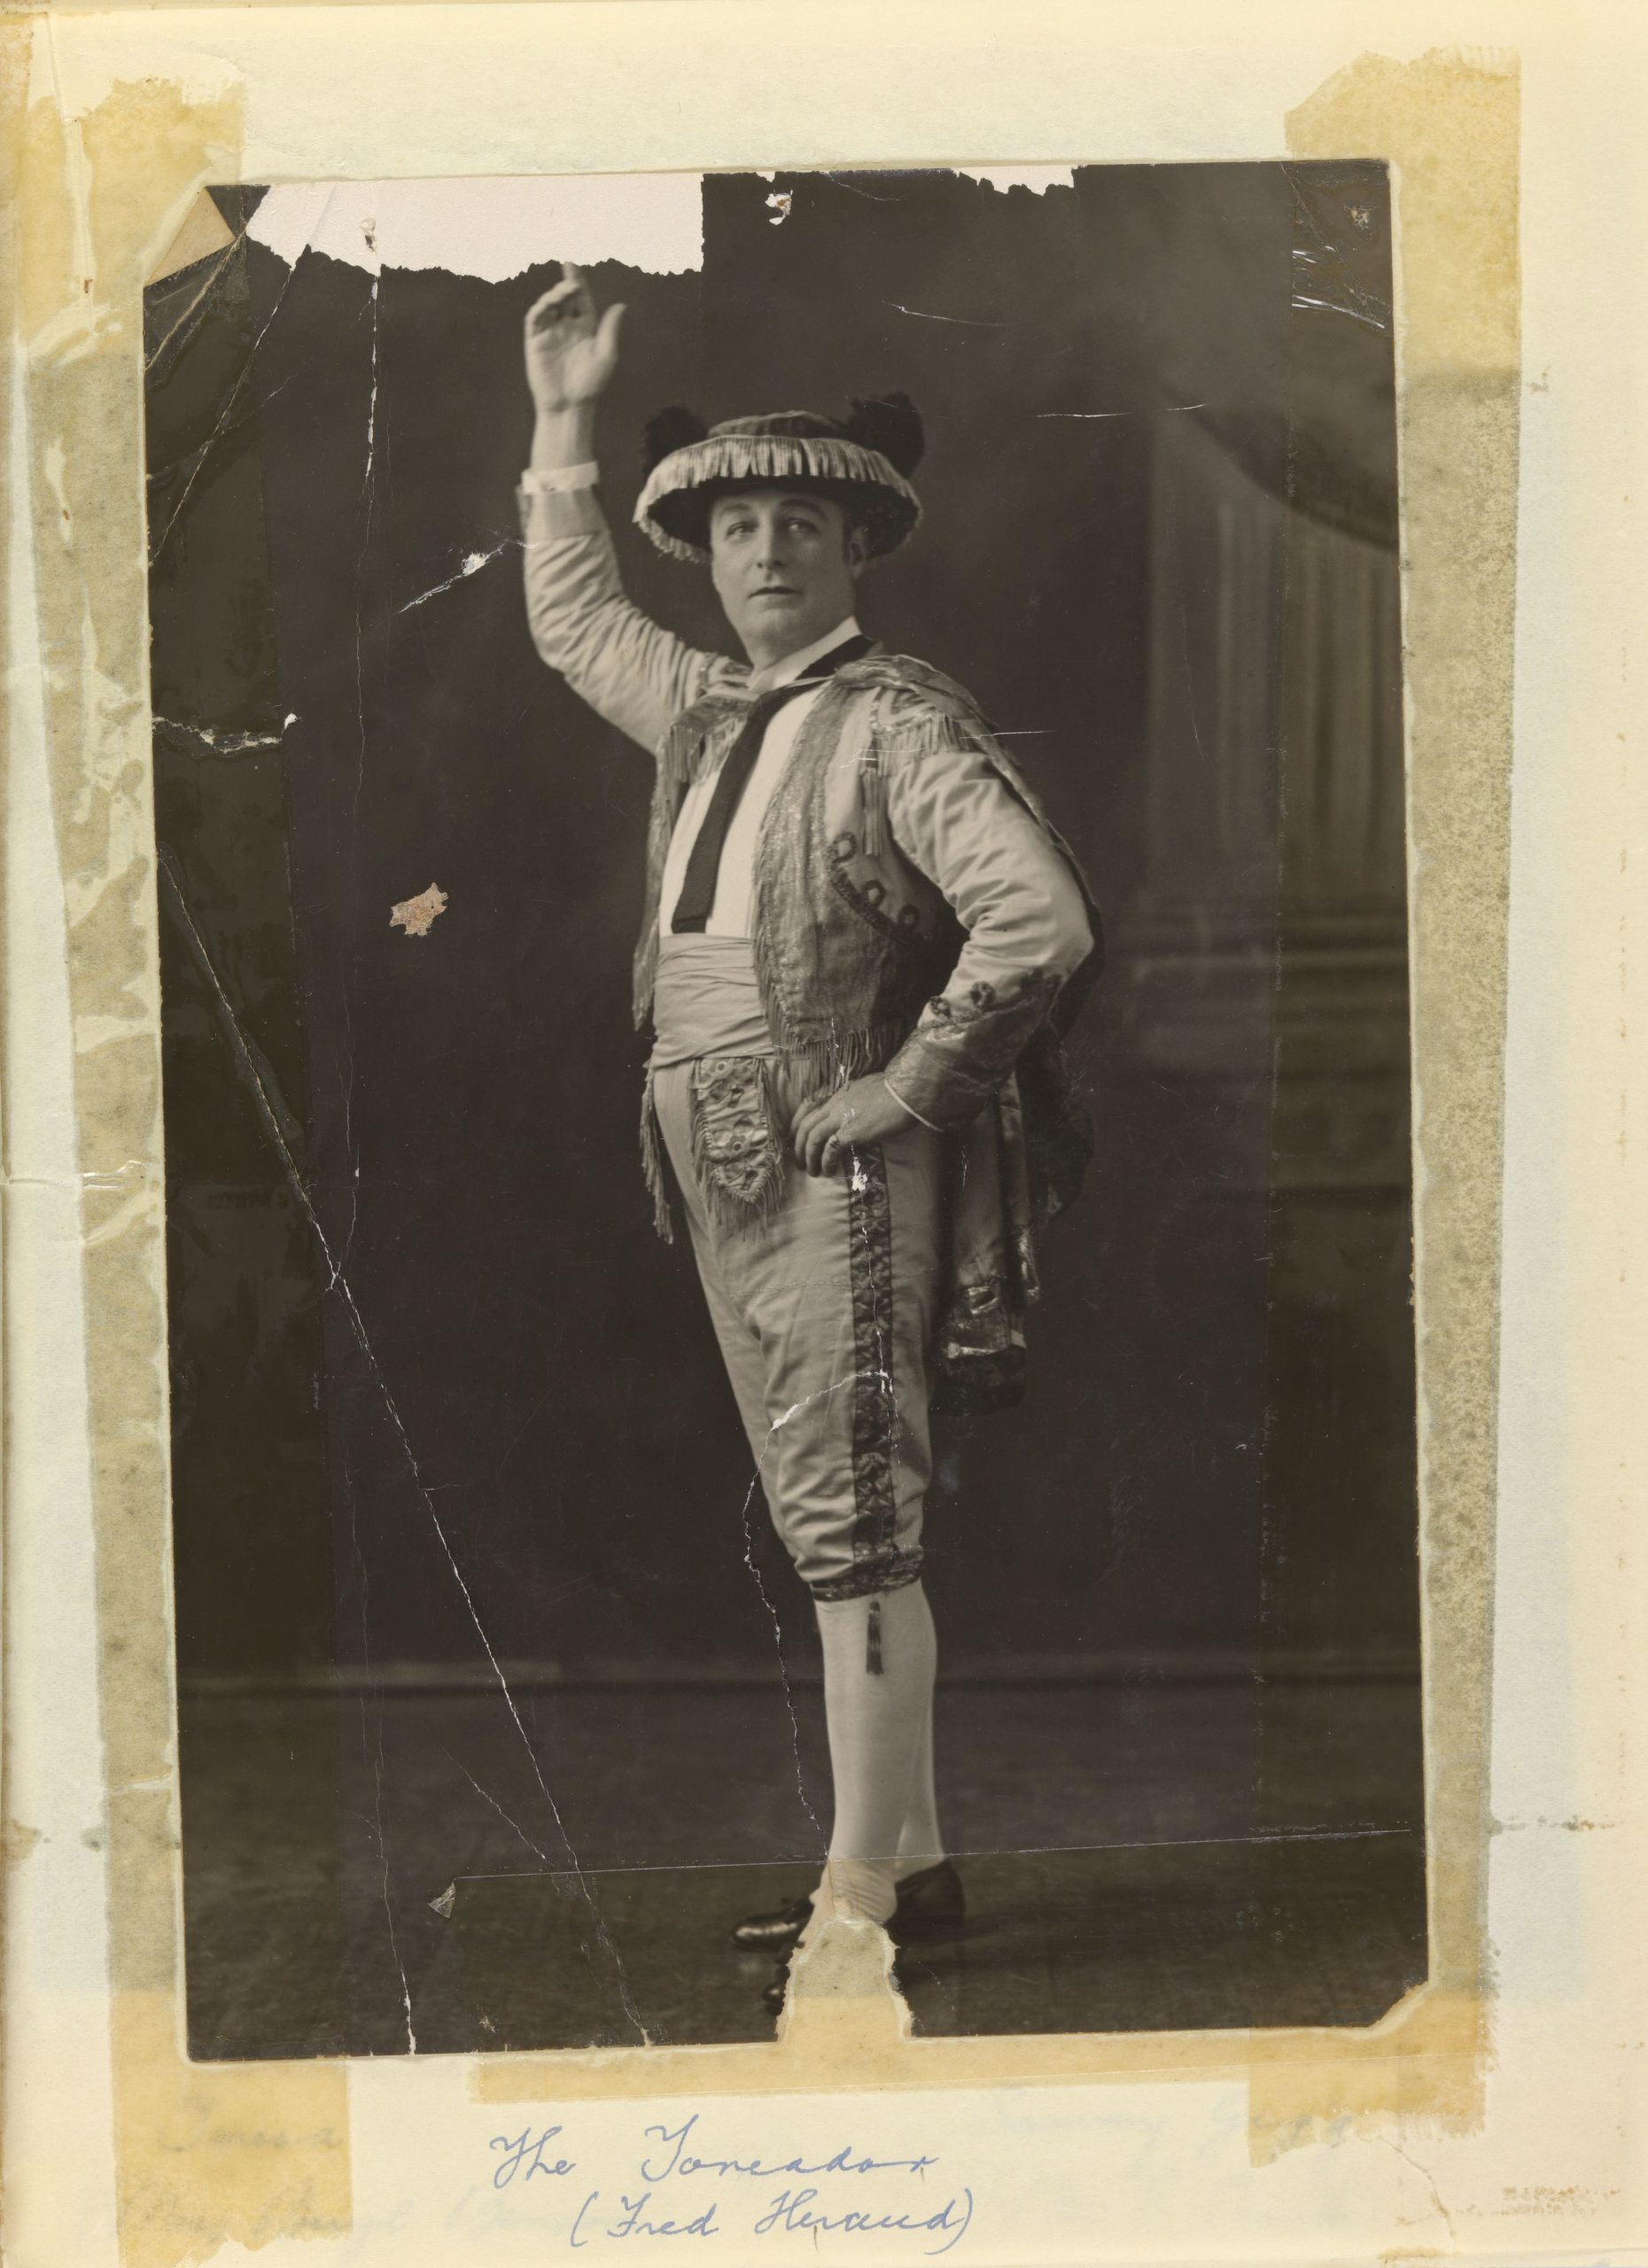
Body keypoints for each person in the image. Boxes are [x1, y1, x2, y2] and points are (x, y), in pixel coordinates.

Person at [517, 264, 1100, 2014]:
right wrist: (561, 419)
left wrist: (907, 1085)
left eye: (803, 524)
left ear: (858, 545)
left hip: (836, 1149)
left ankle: (857, 1896)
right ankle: (912, 1868)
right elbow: (569, 623)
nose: (768, 553)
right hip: (705, 1135)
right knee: (812, 1504)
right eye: (739, 525)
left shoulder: (896, 721)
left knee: (853, 1520)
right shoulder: (704, 713)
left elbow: (1042, 922)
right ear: (703, 551)